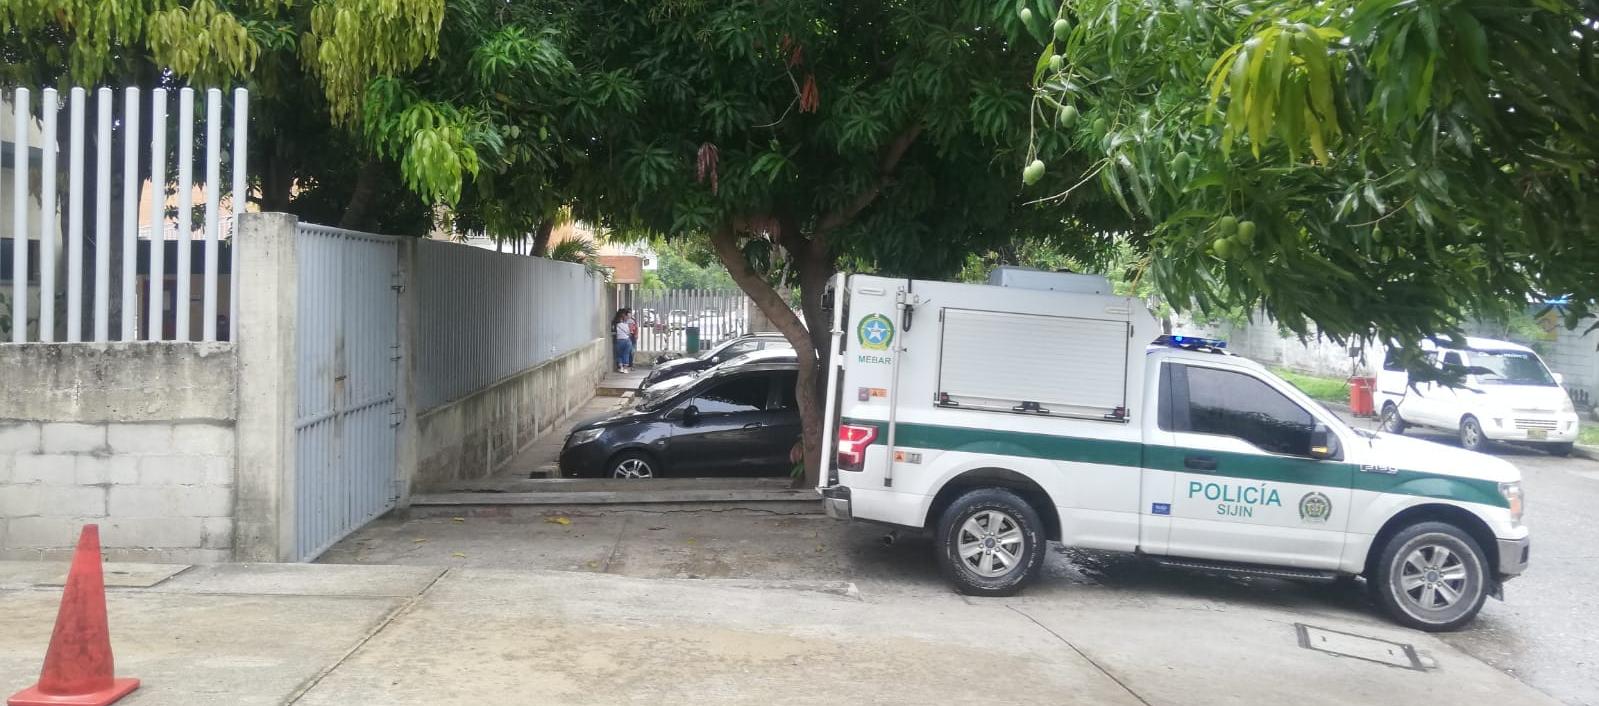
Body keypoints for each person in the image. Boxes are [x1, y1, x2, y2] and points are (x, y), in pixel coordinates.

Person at [613, 308, 635, 373]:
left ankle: (621, 368)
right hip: (627, 341)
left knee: (619, 355)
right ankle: (625, 369)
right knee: (626, 354)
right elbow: (629, 333)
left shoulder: (616, 325)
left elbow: (614, 332)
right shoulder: (626, 325)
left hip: (619, 341)